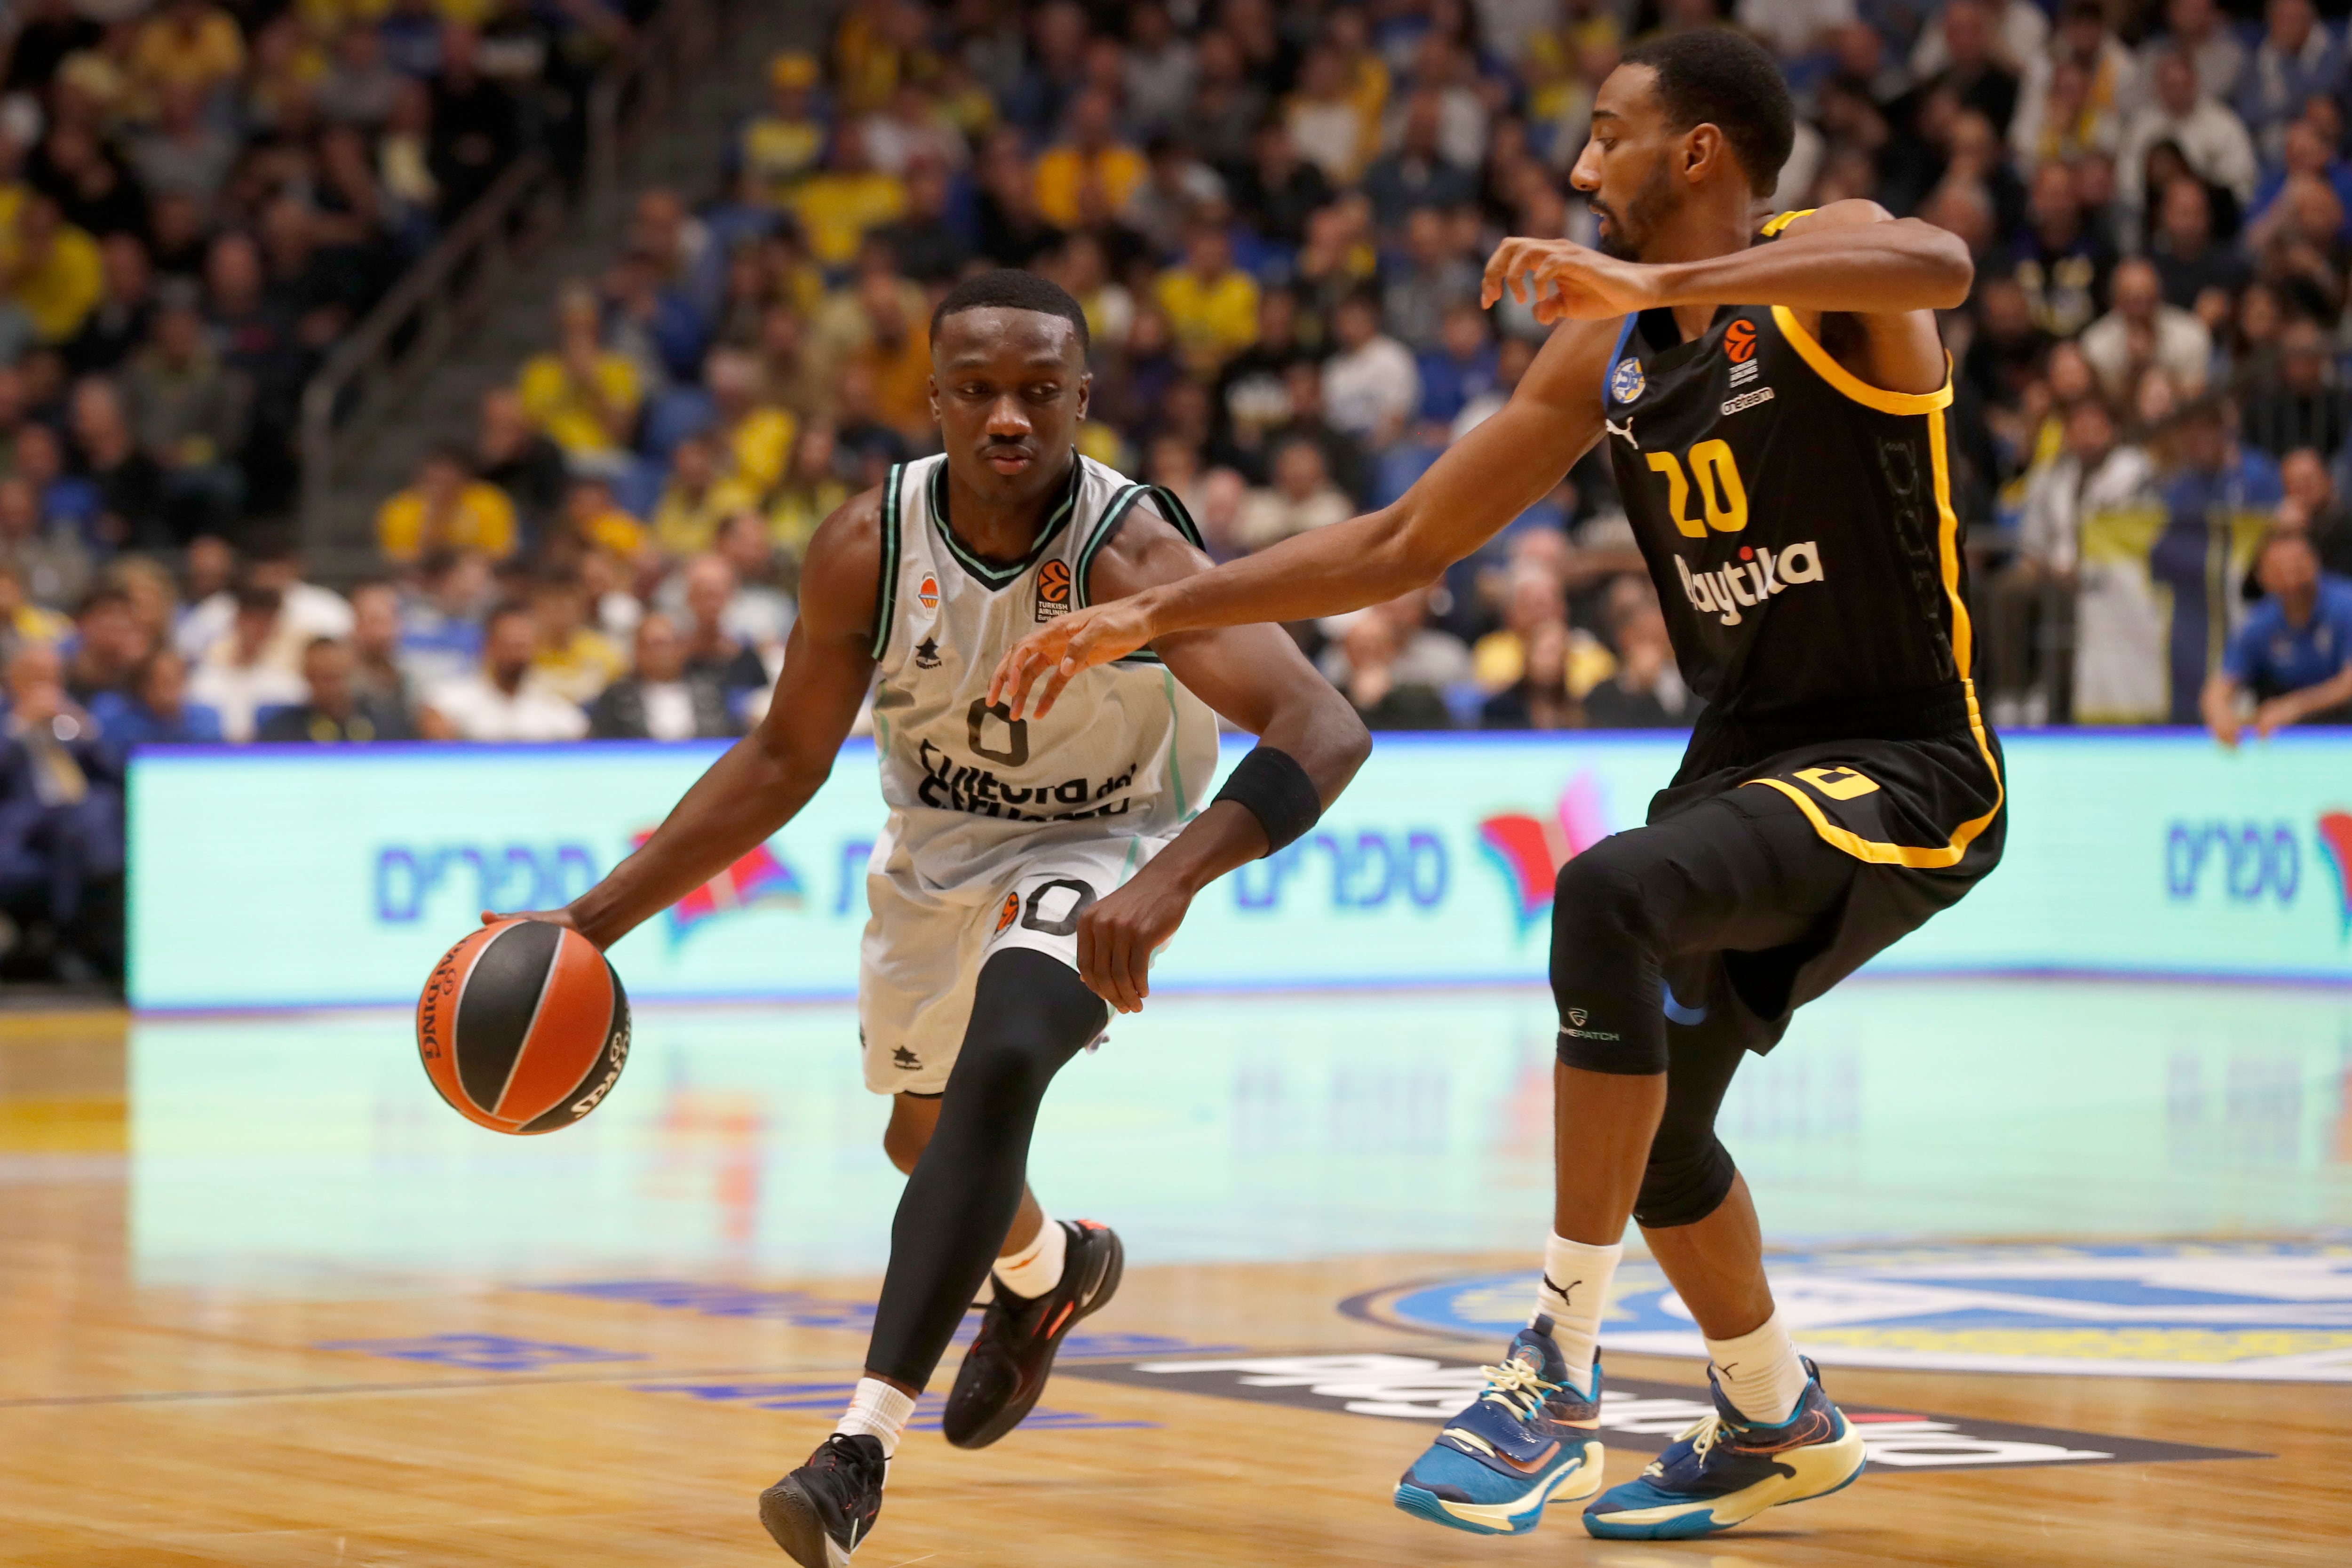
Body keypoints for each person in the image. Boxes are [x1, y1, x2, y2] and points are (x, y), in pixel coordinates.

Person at [993, 31, 2002, 1544]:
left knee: (1607, 891)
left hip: (1906, 759)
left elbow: (1942, 265)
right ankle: (1772, 1408)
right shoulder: (1598, 356)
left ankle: (1556, 1371)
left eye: (1608, 137)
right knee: (1655, 1135)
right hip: (1741, 763)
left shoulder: (1826, 270)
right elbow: (1403, 543)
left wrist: (1662, 290)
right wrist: (1159, 612)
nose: (1581, 167)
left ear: (1700, 153)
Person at [486, 271, 1367, 1568]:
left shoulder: (1132, 551)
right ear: (935, 397)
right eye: (978, 390)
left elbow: (1324, 724)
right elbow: (784, 760)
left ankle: (856, 1445)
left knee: (1011, 1046)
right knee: (926, 1139)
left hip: (1103, 841)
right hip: (935, 857)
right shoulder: (867, 544)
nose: (1008, 417)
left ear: (1082, 400)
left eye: (1038, 392)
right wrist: (593, 922)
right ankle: (1050, 1268)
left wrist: (1170, 876)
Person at [2202, 529, 2352, 743]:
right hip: (2284, 739)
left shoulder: (2345, 605)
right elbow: (2221, 685)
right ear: (2262, 577)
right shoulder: (2260, 623)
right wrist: (2219, 713)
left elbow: (2349, 684)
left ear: (2315, 563)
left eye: (2298, 564)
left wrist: (2294, 707)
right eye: (2280, 569)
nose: (2291, 576)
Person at [417, 601, 589, 742]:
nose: (517, 655)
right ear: (489, 646)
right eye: (509, 645)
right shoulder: (449, 700)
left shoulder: (554, 708)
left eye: (523, 646)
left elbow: (582, 742)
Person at [588, 612, 737, 740]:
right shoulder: (617, 698)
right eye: (654, 644)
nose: (662, 652)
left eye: (669, 644)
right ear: (637, 650)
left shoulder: (709, 694)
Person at [258, 637, 414, 742]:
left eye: (338, 676)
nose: (331, 687)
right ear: (307, 677)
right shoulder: (282, 733)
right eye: (321, 677)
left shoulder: (387, 726)